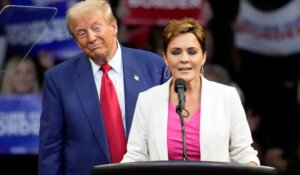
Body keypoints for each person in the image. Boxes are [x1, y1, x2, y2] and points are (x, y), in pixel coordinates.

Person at [38, 1, 167, 175]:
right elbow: (51, 147)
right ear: (76, 42)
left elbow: (171, 131)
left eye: (96, 28)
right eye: (82, 33)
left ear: (113, 27)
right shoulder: (58, 79)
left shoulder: (154, 67)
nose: (91, 38)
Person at [121, 17, 260, 165]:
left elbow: (244, 153)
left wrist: (250, 165)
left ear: (203, 57)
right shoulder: (147, 100)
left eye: (192, 52)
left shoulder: (227, 96)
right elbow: (136, 156)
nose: (184, 59)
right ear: (166, 58)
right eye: (176, 52)